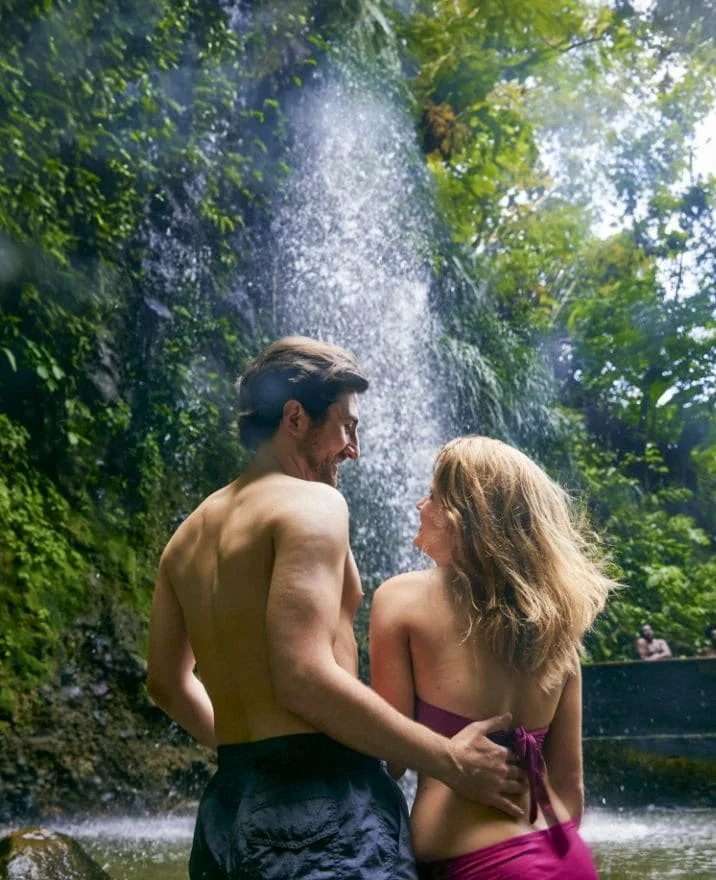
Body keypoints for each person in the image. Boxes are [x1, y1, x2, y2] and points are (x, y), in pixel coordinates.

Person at [147, 338, 525, 880]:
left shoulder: (186, 537)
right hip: (323, 809)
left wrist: (250, 755)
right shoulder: (313, 503)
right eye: (347, 426)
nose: (354, 449)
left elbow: (165, 681)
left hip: (228, 811)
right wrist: (451, 761)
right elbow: (302, 677)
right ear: (296, 418)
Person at [370, 436, 619, 880]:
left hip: (474, 866)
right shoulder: (558, 632)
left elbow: (392, 755)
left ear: (462, 516)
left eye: (432, 495)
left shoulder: (400, 599)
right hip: (563, 858)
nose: (419, 505)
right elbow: (570, 790)